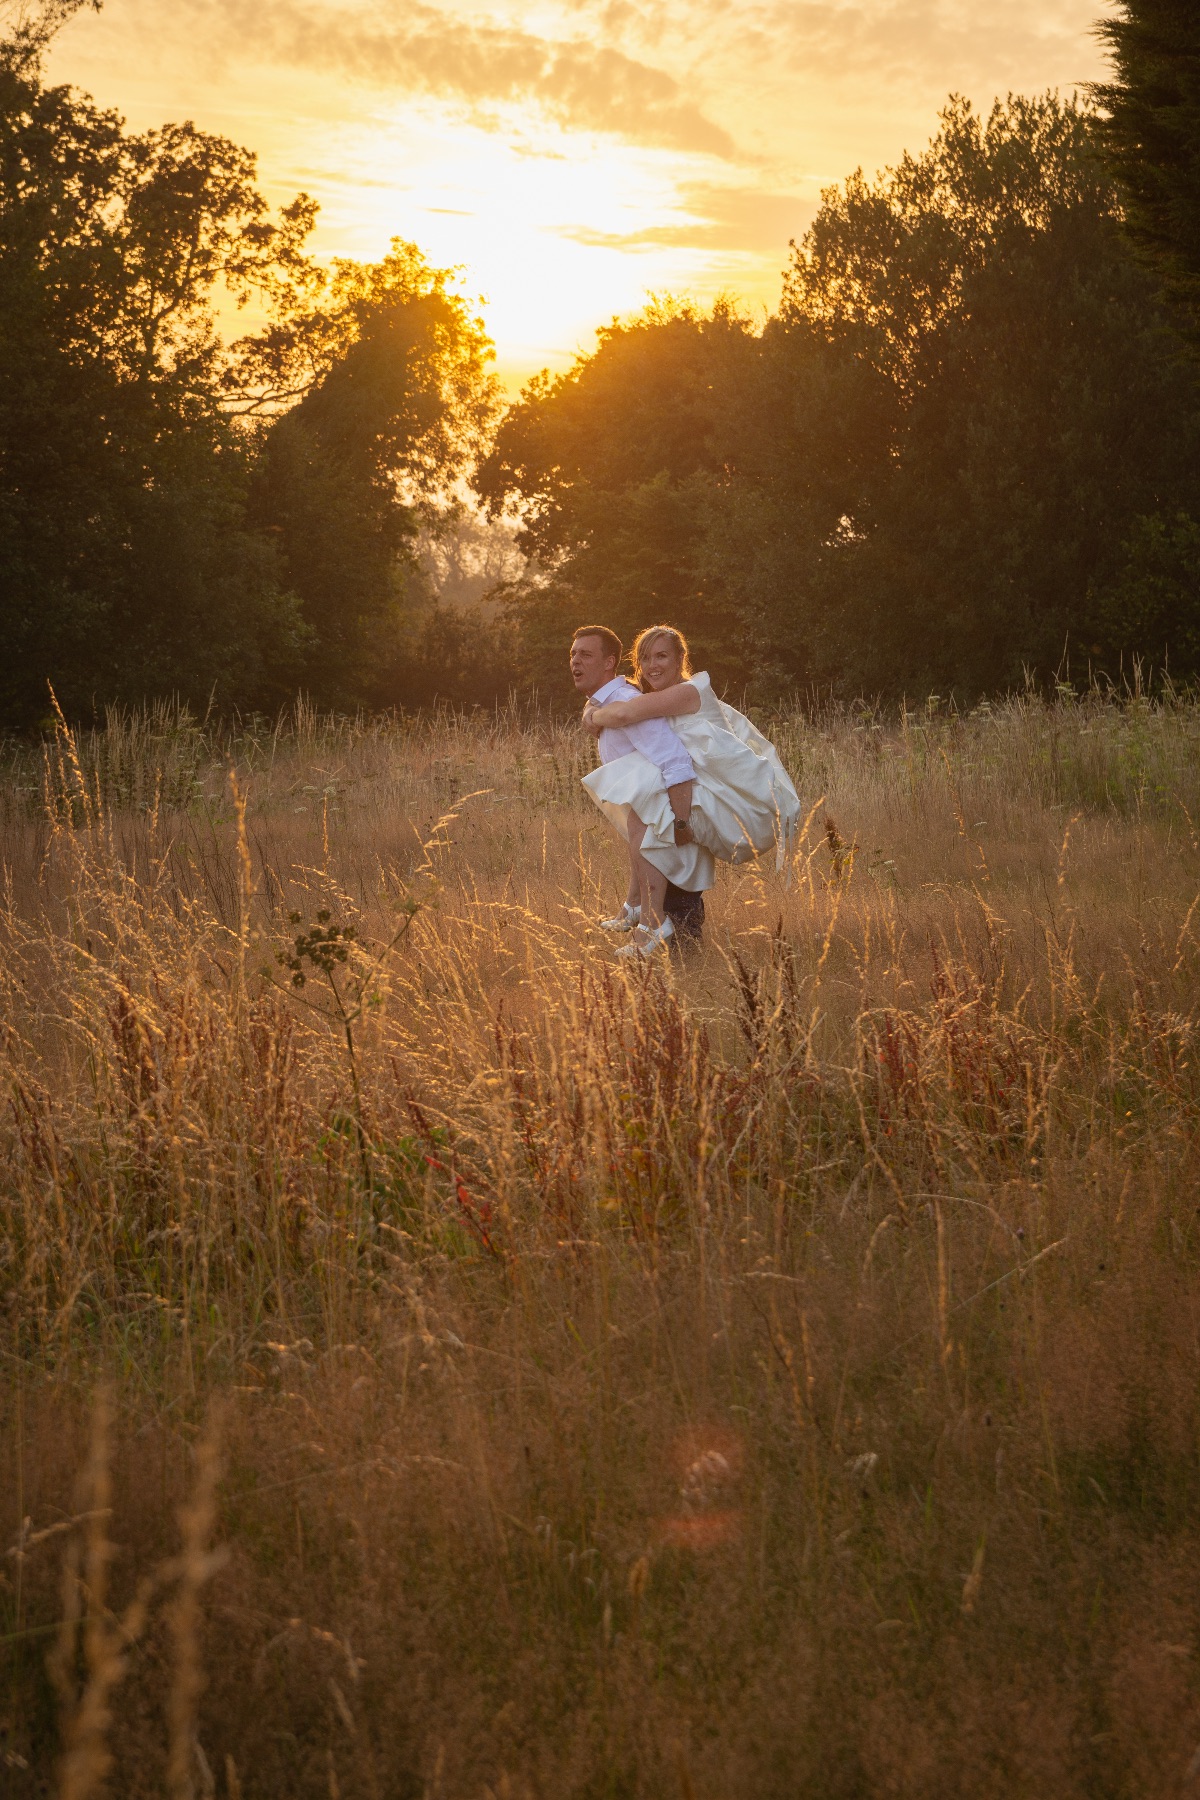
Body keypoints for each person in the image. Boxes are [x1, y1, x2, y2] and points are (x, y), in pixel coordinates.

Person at [581, 625, 801, 956]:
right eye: (644, 658)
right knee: (644, 817)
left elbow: (624, 711)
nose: (652, 665)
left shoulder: (688, 692)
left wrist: (592, 714)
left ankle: (657, 928)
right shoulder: (654, 697)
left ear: (681, 657)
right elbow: (620, 704)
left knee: (655, 825)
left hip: (728, 798)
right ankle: (641, 913)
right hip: (692, 788)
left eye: (661, 656)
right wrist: (591, 709)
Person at [569, 625, 713, 957]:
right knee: (640, 832)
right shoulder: (627, 697)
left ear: (610, 662)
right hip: (665, 806)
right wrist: (591, 711)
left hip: (680, 804)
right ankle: (637, 910)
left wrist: (681, 822)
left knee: (682, 919)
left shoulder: (645, 700)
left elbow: (674, 760)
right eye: (573, 654)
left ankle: (661, 937)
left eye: (585, 654)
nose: (575, 660)